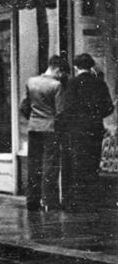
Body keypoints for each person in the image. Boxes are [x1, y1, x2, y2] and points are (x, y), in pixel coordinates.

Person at [60, 53, 114, 209]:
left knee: (77, 164)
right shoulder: (100, 84)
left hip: (76, 130)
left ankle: (78, 201)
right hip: (95, 129)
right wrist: (96, 116)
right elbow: (108, 107)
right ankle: (92, 200)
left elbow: (68, 108)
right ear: (91, 66)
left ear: (76, 67)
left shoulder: (72, 84)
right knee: (92, 164)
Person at [20, 55, 69, 211]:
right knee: (50, 165)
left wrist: (33, 119)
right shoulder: (56, 86)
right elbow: (60, 112)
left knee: (34, 164)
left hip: (34, 128)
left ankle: (32, 201)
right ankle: (50, 201)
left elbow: (24, 107)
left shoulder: (31, 82)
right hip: (50, 129)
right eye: (62, 73)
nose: (61, 77)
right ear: (56, 69)